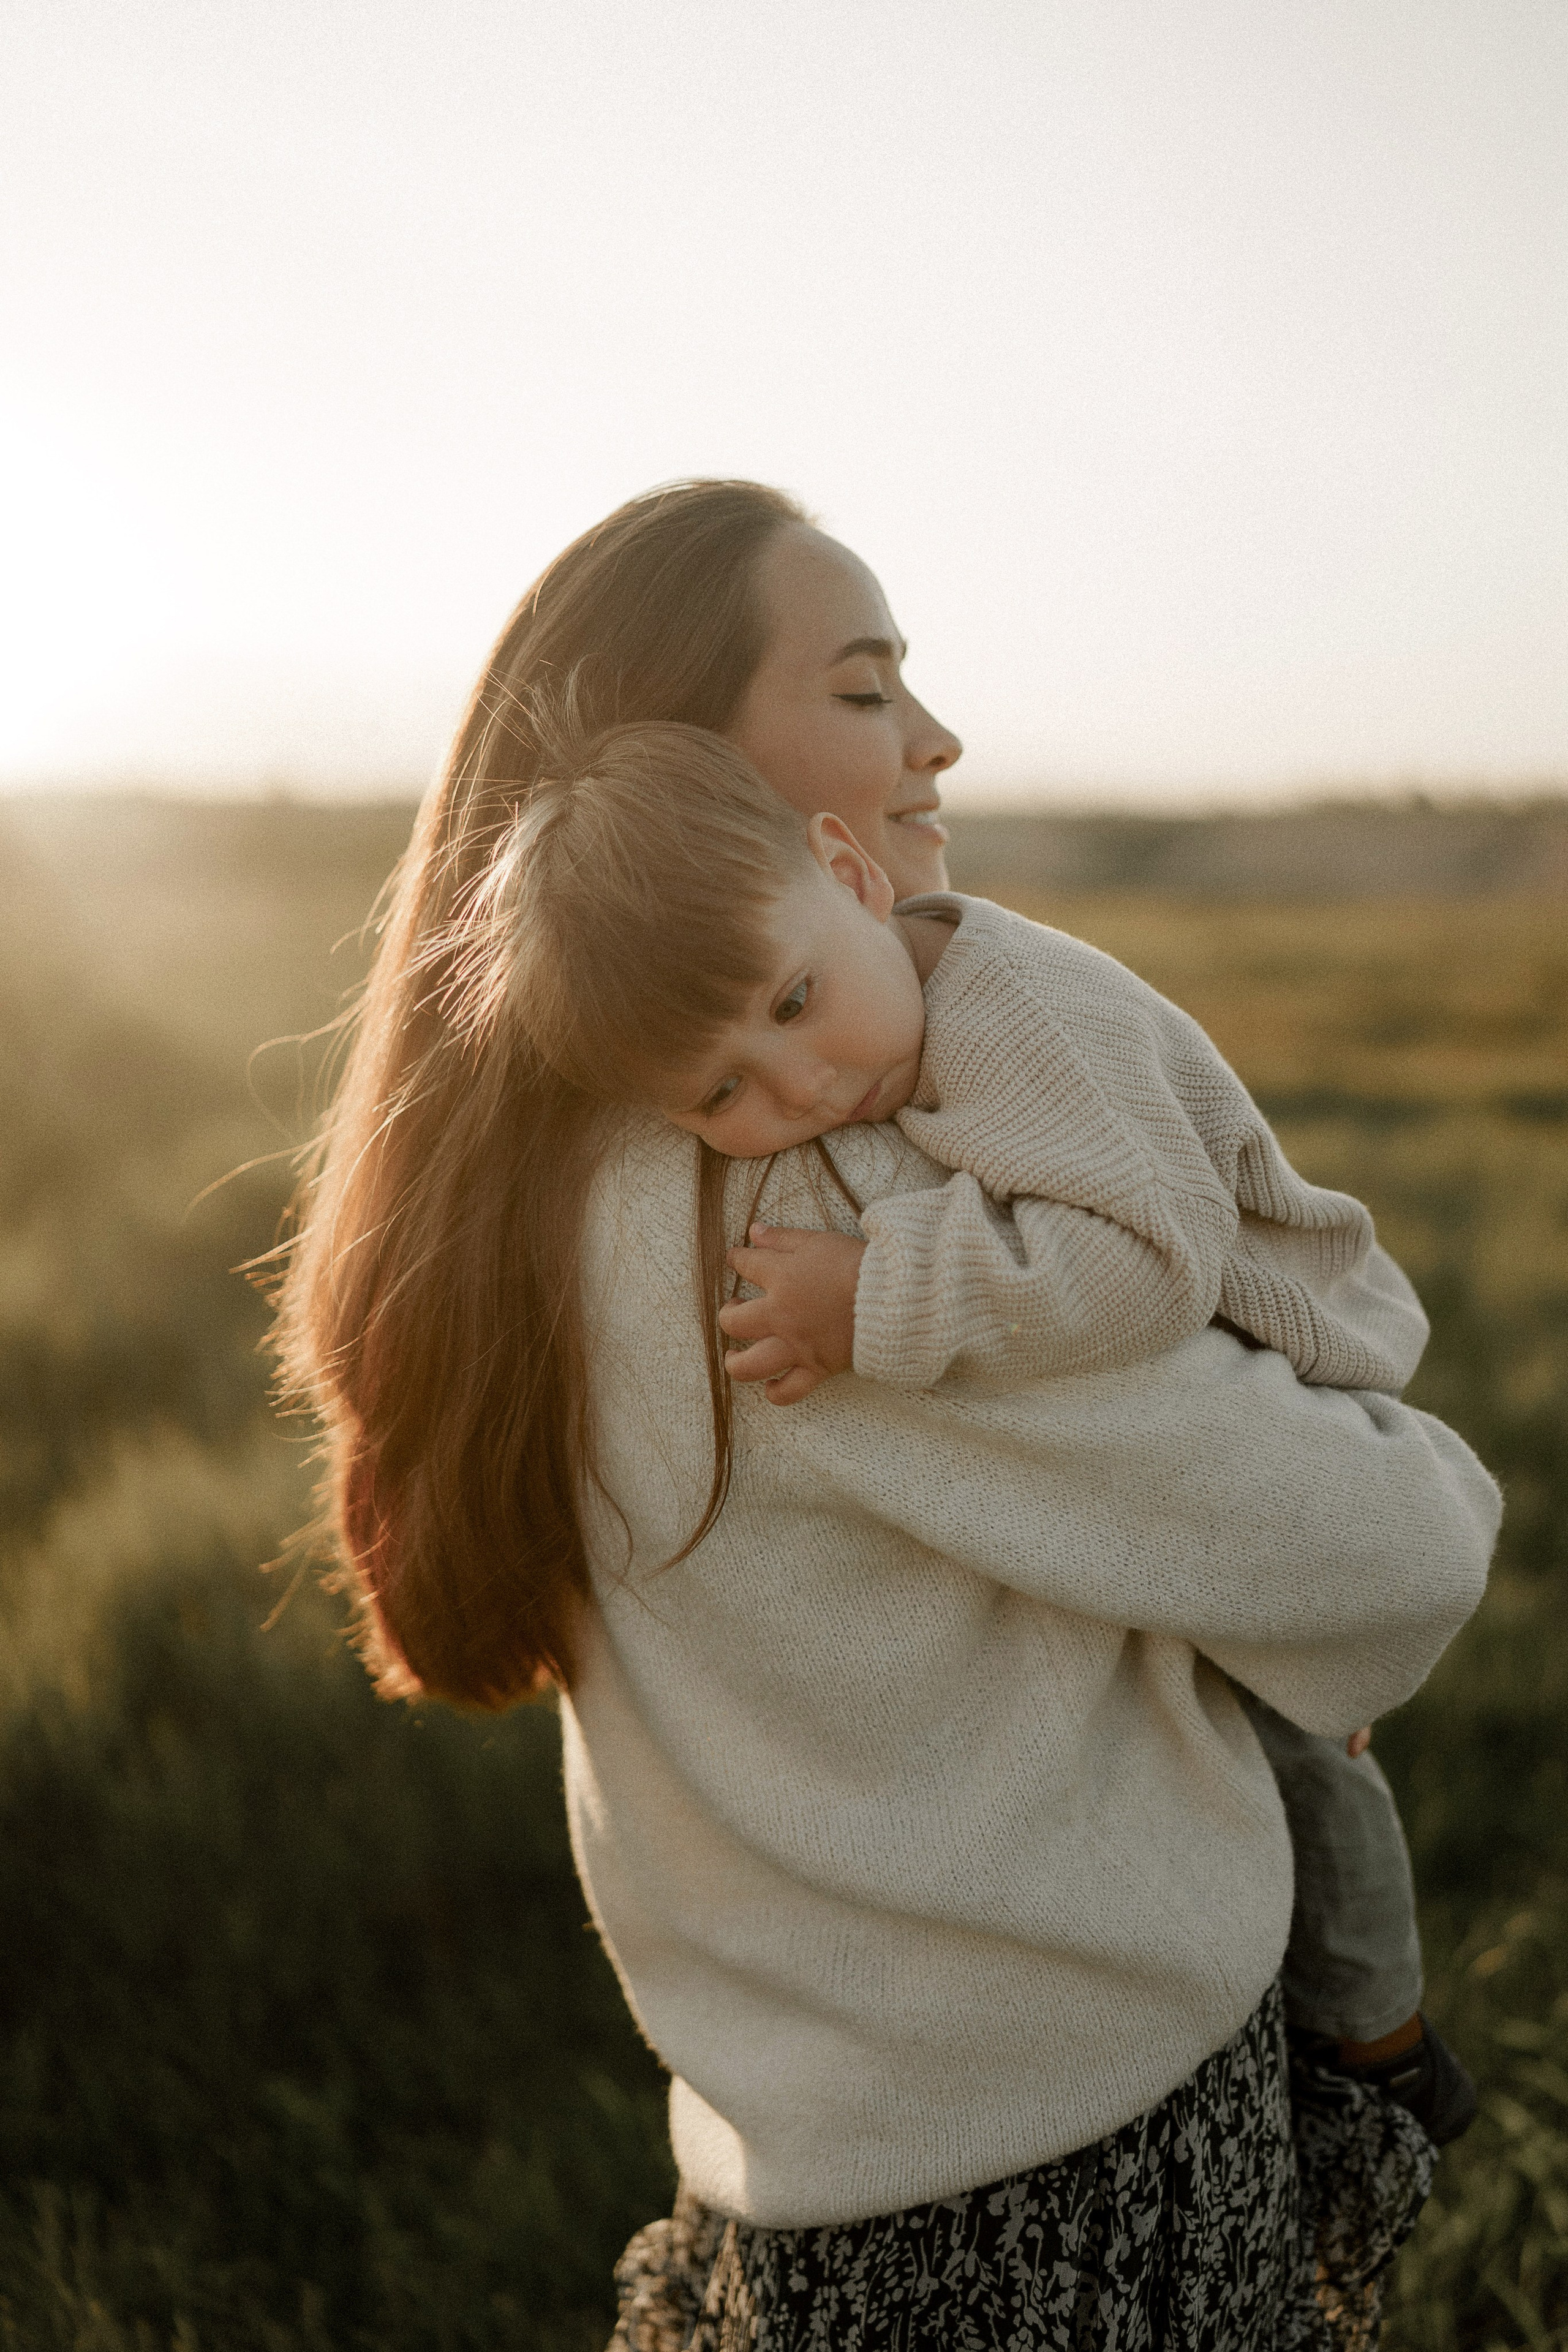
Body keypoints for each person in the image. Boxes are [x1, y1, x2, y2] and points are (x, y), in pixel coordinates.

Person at [274, 481, 1501, 2346]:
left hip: (802, 2149)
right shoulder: (819, 1227)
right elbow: (1392, 1553)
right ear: (681, 758)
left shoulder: (583, 1162)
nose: (935, 738)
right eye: (862, 689)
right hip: (1064, 2174)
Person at [477, 706, 1474, 2143]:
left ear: (849, 872)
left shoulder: (1026, 1021)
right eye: (719, 1092)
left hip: (1301, 1343)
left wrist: (877, 1293)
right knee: (1266, 1718)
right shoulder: (874, 1027)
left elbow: (1150, 1266)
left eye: (794, 1001)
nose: (804, 1088)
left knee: (1312, 1751)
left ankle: (1382, 2051)